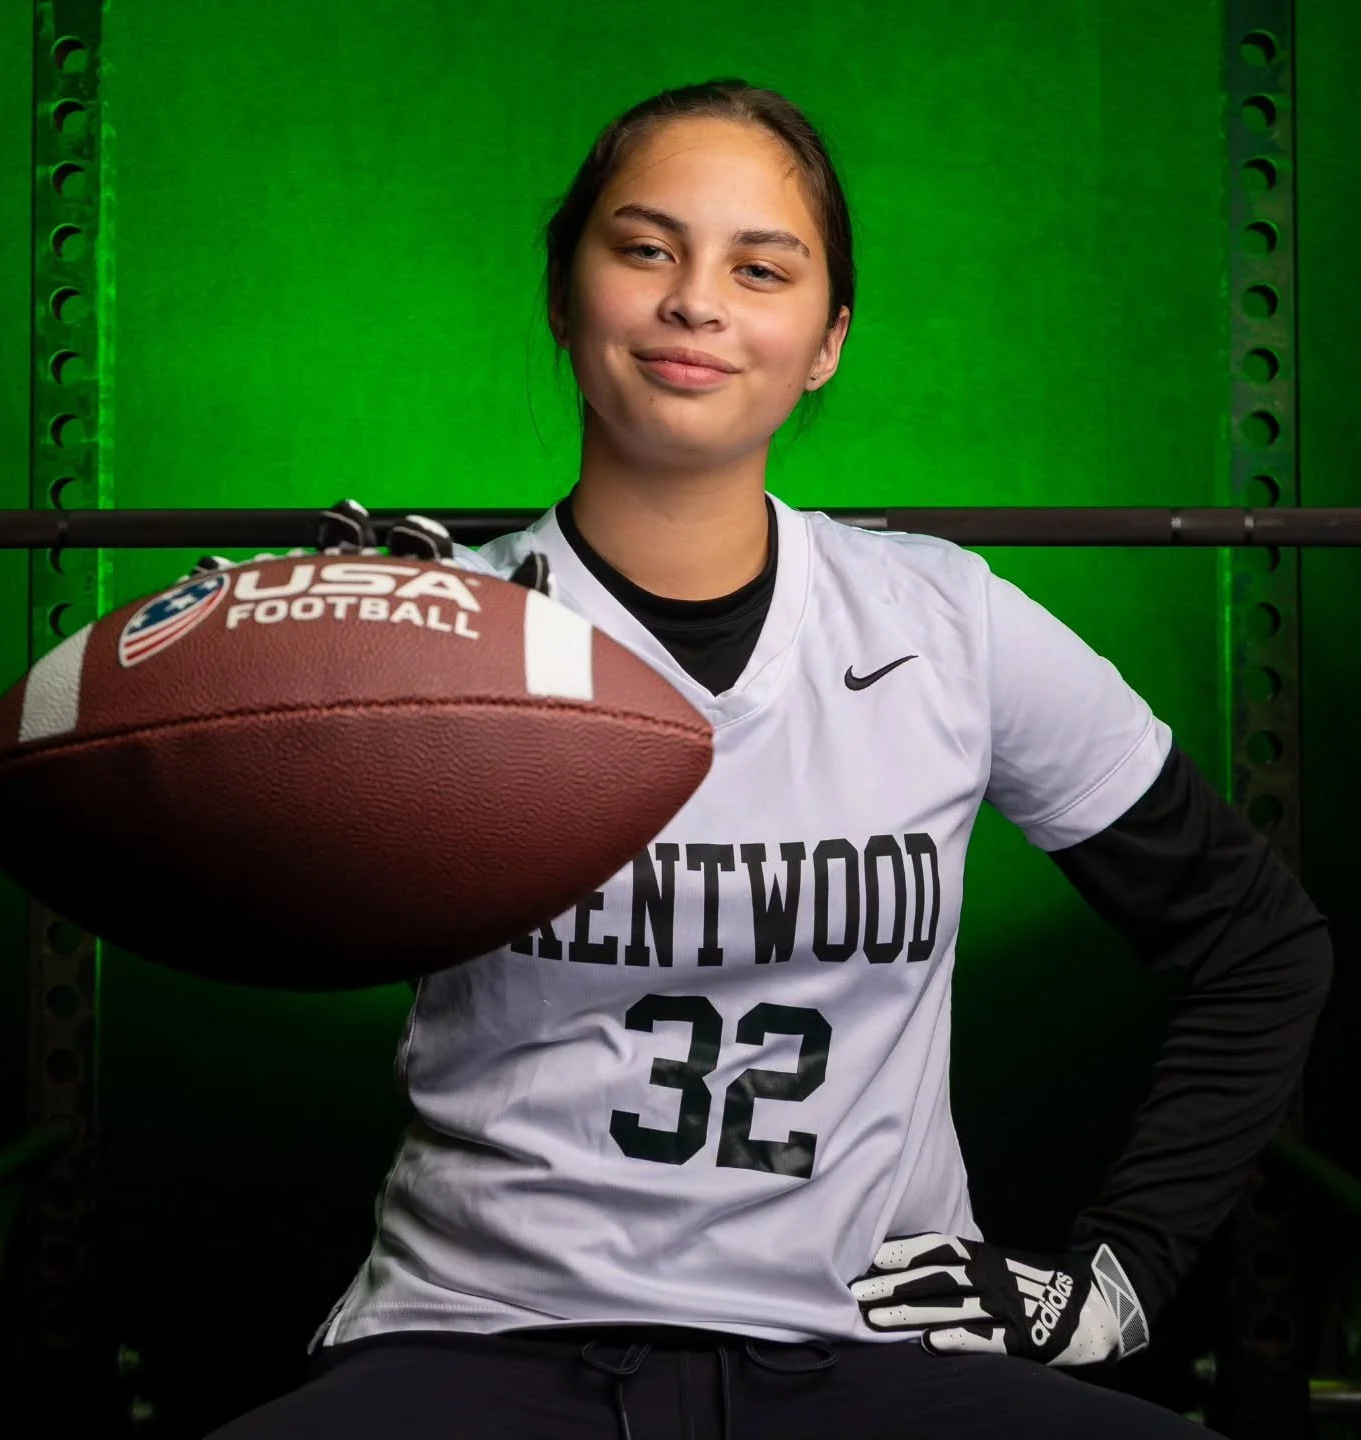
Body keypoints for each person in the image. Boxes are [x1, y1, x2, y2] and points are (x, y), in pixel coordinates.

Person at [207, 78, 1332, 1439]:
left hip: (876, 1350)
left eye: (761, 266)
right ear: (565, 295)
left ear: (826, 343)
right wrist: (277, 675)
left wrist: (1122, 1281)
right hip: (485, 1341)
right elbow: (236, 895)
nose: (695, 301)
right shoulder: (445, 625)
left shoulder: (944, 623)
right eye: (645, 249)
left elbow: (1259, 940)